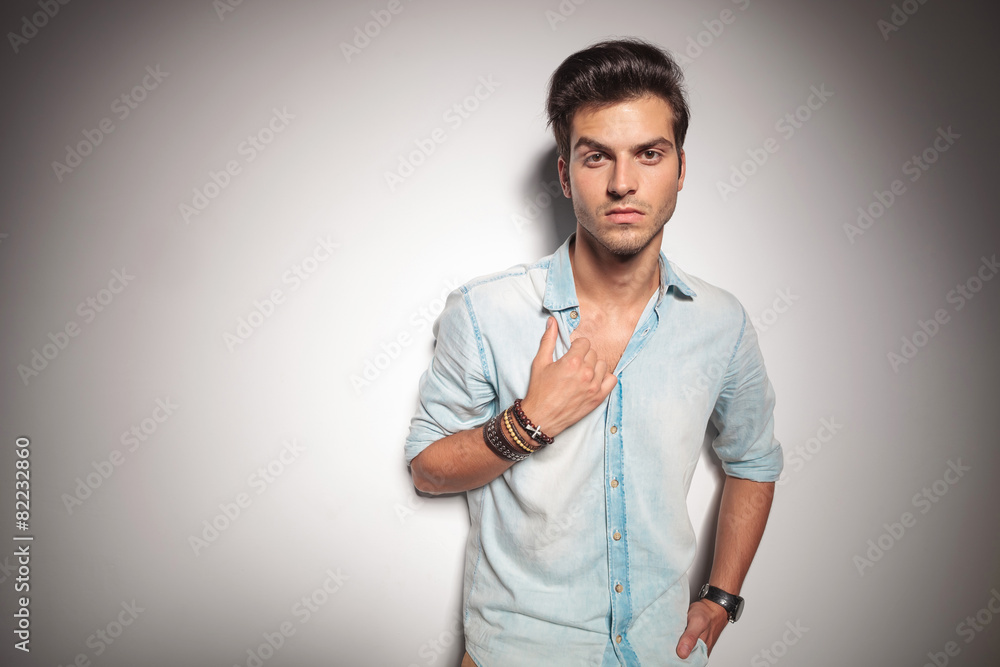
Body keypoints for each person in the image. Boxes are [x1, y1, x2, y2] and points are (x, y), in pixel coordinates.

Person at [405, 38, 783, 667]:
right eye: (596, 157)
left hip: (658, 651)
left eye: (649, 154)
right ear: (564, 173)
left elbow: (754, 461)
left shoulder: (722, 323)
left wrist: (722, 597)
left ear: (681, 169)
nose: (623, 183)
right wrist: (530, 423)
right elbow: (427, 469)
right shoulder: (485, 311)